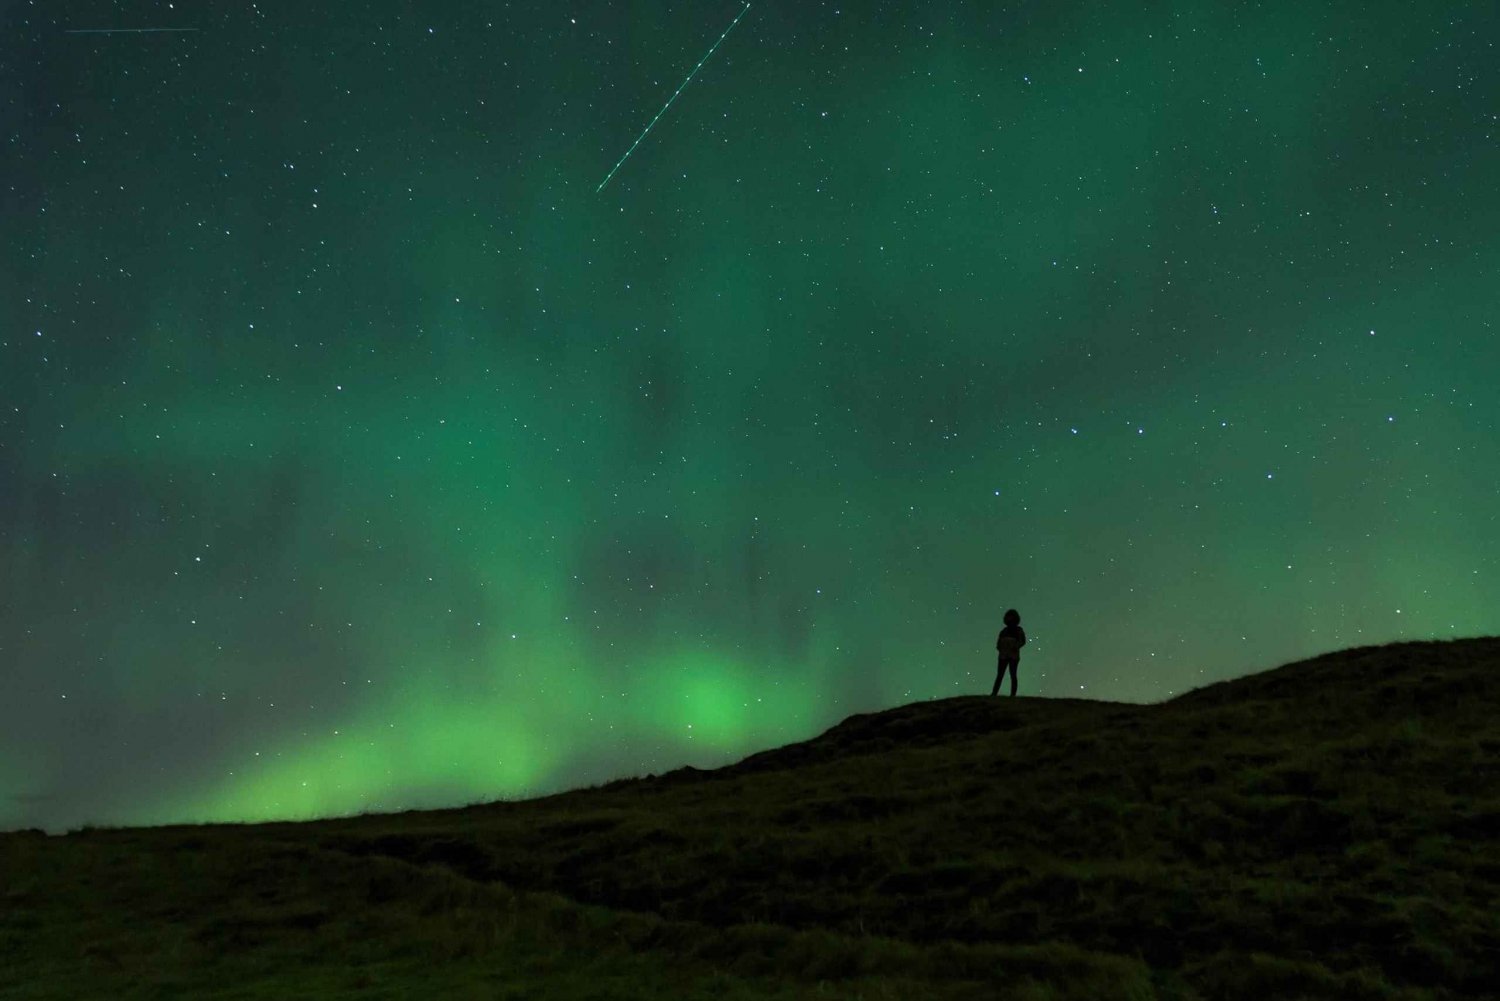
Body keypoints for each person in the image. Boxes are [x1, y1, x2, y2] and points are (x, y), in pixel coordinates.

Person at [992, 608, 1026, 696]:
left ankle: (1012, 695)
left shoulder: (1018, 630)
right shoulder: (1004, 631)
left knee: (1013, 674)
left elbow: (1022, 641)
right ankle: (994, 693)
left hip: (1013, 655)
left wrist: (1015, 646)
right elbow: (998, 643)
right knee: (1000, 675)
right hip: (1003, 655)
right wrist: (1000, 648)